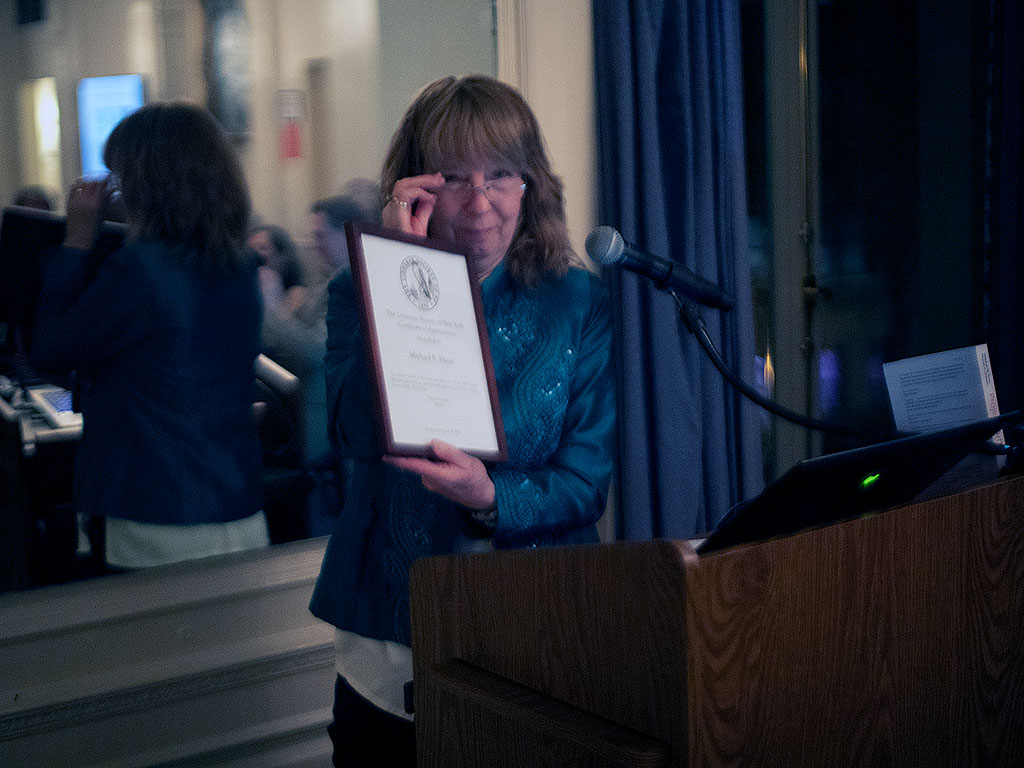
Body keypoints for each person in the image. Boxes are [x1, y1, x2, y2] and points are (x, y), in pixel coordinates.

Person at [309, 74, 616, 766]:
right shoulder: (353, 286)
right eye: (455, 176)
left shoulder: (578, 303)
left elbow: (585, 480)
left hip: (535, 632)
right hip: (392, 632)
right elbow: (350, 434)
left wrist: (491, 498)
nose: (481, 202)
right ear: (414, 184)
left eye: (502, 175)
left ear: (529, 184)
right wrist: (394, 274)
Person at [29, 101, 267, 569]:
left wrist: (75, 243)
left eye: (118, 176)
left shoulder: (140, 270)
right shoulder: (241, 267)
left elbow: (50, 346)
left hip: (157, 506)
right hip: (237, 502)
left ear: (145, 183)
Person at [258, 188, 379, 538]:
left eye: (320, 235)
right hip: (309, 419)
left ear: (346, 232)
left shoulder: (355, 281)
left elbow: (314, 352)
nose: (314, 245)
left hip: (326, 425)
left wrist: (273, 309)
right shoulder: (323, 282)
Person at [249, 224, 307, 316]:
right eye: (250, 249)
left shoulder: (297, 292)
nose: (254, 255)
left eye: (262, 248)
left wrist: (272, 298)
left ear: (284, 256)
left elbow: (286, 327)